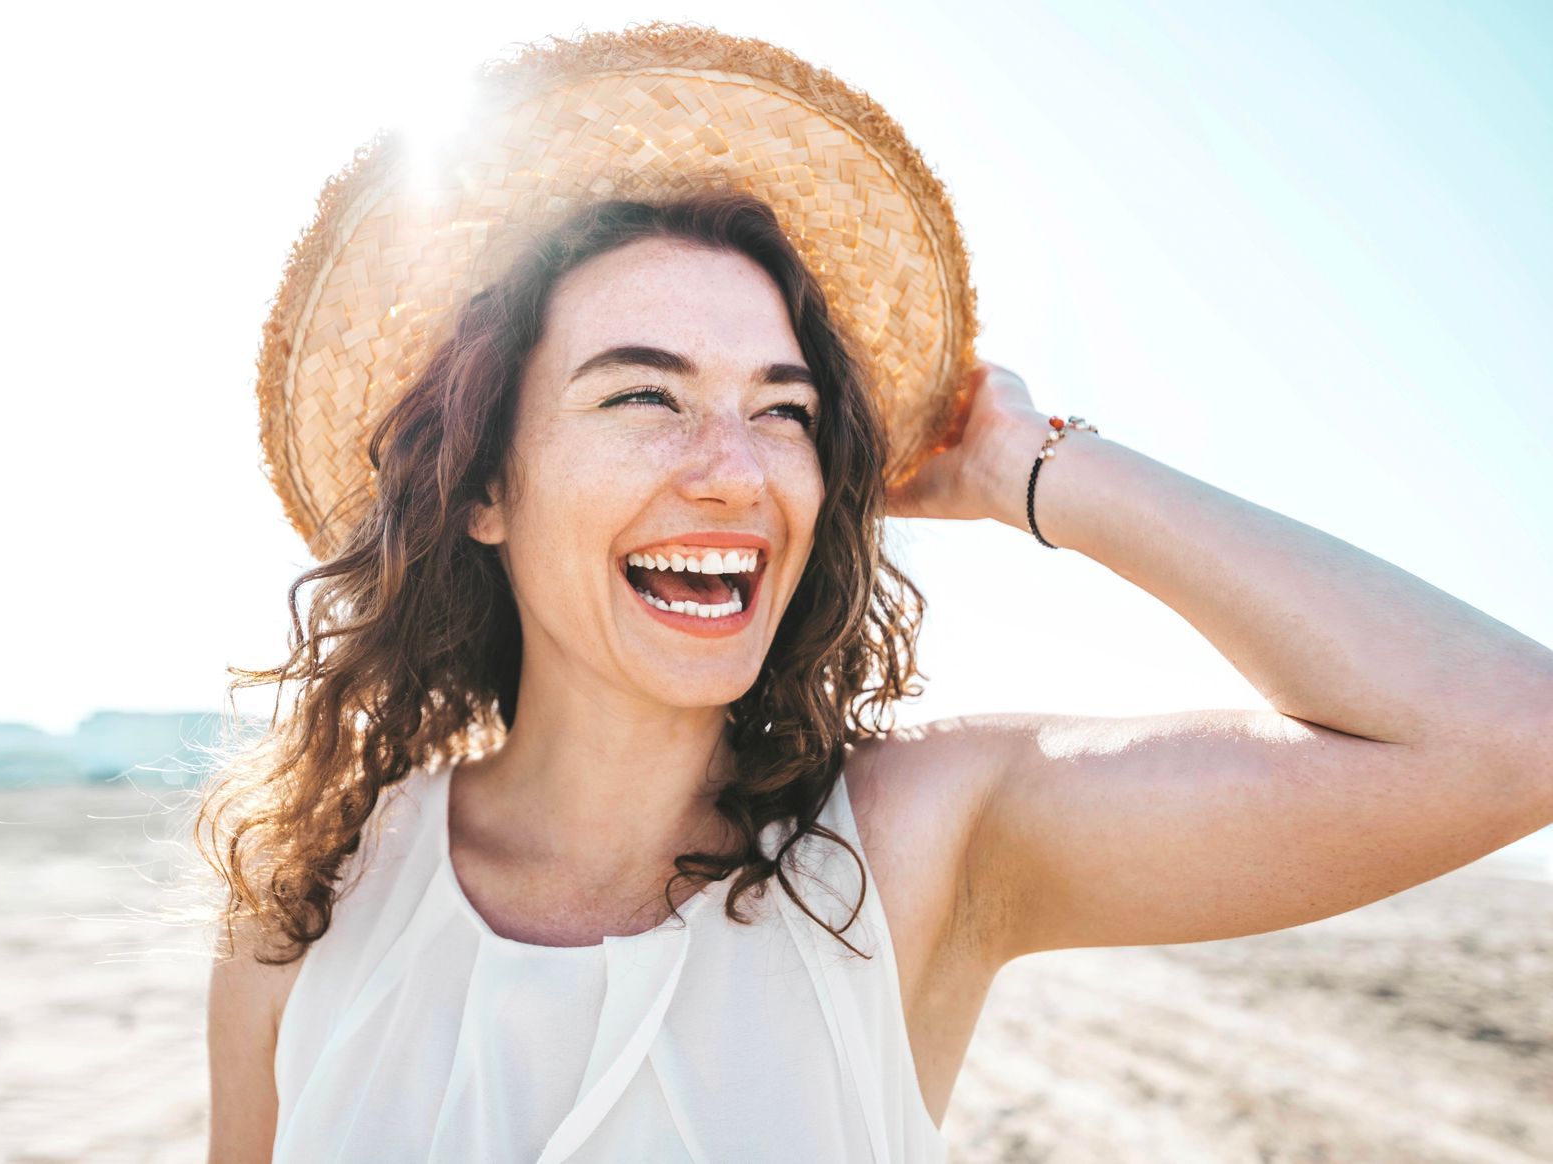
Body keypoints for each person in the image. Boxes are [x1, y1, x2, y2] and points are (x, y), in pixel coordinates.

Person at [200, 23, 1553, 1164]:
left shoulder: (916, 847)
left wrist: (1036, 473)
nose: (734, 473)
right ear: (483, 489)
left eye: (782, 414)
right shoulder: (312, 907)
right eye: (644, 394)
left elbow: (1508, 736)